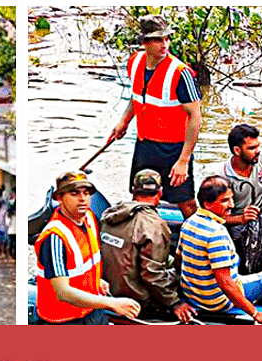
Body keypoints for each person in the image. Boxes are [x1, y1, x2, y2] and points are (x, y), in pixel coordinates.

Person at [106, 14, 202, 218]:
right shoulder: (135, 62)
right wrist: (124, 121)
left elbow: (196, 117)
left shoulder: (180, 73)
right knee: (139, 195)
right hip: (145, 144)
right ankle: (140, 232)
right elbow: (137, 97)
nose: (164, 44)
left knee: (185, 201)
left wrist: (183, 160)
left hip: (173, 149)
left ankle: (193, 240)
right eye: (158, 39)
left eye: (167, 38)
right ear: (145, 42)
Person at [34, 171, 141, 324]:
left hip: (91, 310)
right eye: (74, 193)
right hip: (65, 320)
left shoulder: (89, 218)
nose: (82, 199)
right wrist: (113, 304)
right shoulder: (55, 238)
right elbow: (63, 292)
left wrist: (96, 280)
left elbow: (85, 260)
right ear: (59, 197)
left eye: (86, 193)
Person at [178, 176, 262, 323]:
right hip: (217, 302)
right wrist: (255, 314)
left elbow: (178, 260)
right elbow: (225, 283)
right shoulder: (216, 233)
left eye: (231, 199)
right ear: (207, 204)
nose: (231, 204)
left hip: (194, 295)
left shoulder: (189, 222)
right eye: (224, 201)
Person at [100, 169, 194, 322]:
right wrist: (175, 303)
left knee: (169, 259)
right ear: (161, 192)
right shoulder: (155, 226)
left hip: (110, 289)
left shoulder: (111, 214)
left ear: (133, 190)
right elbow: (152, 275)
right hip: (139, 298)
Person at [221, 124, 262, 274]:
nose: (257, 151)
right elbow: (214, 217)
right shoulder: (222, 178)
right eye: (252, 148)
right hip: (238, 224)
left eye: (258, 146)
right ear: (237, 150)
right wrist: (240, 219)